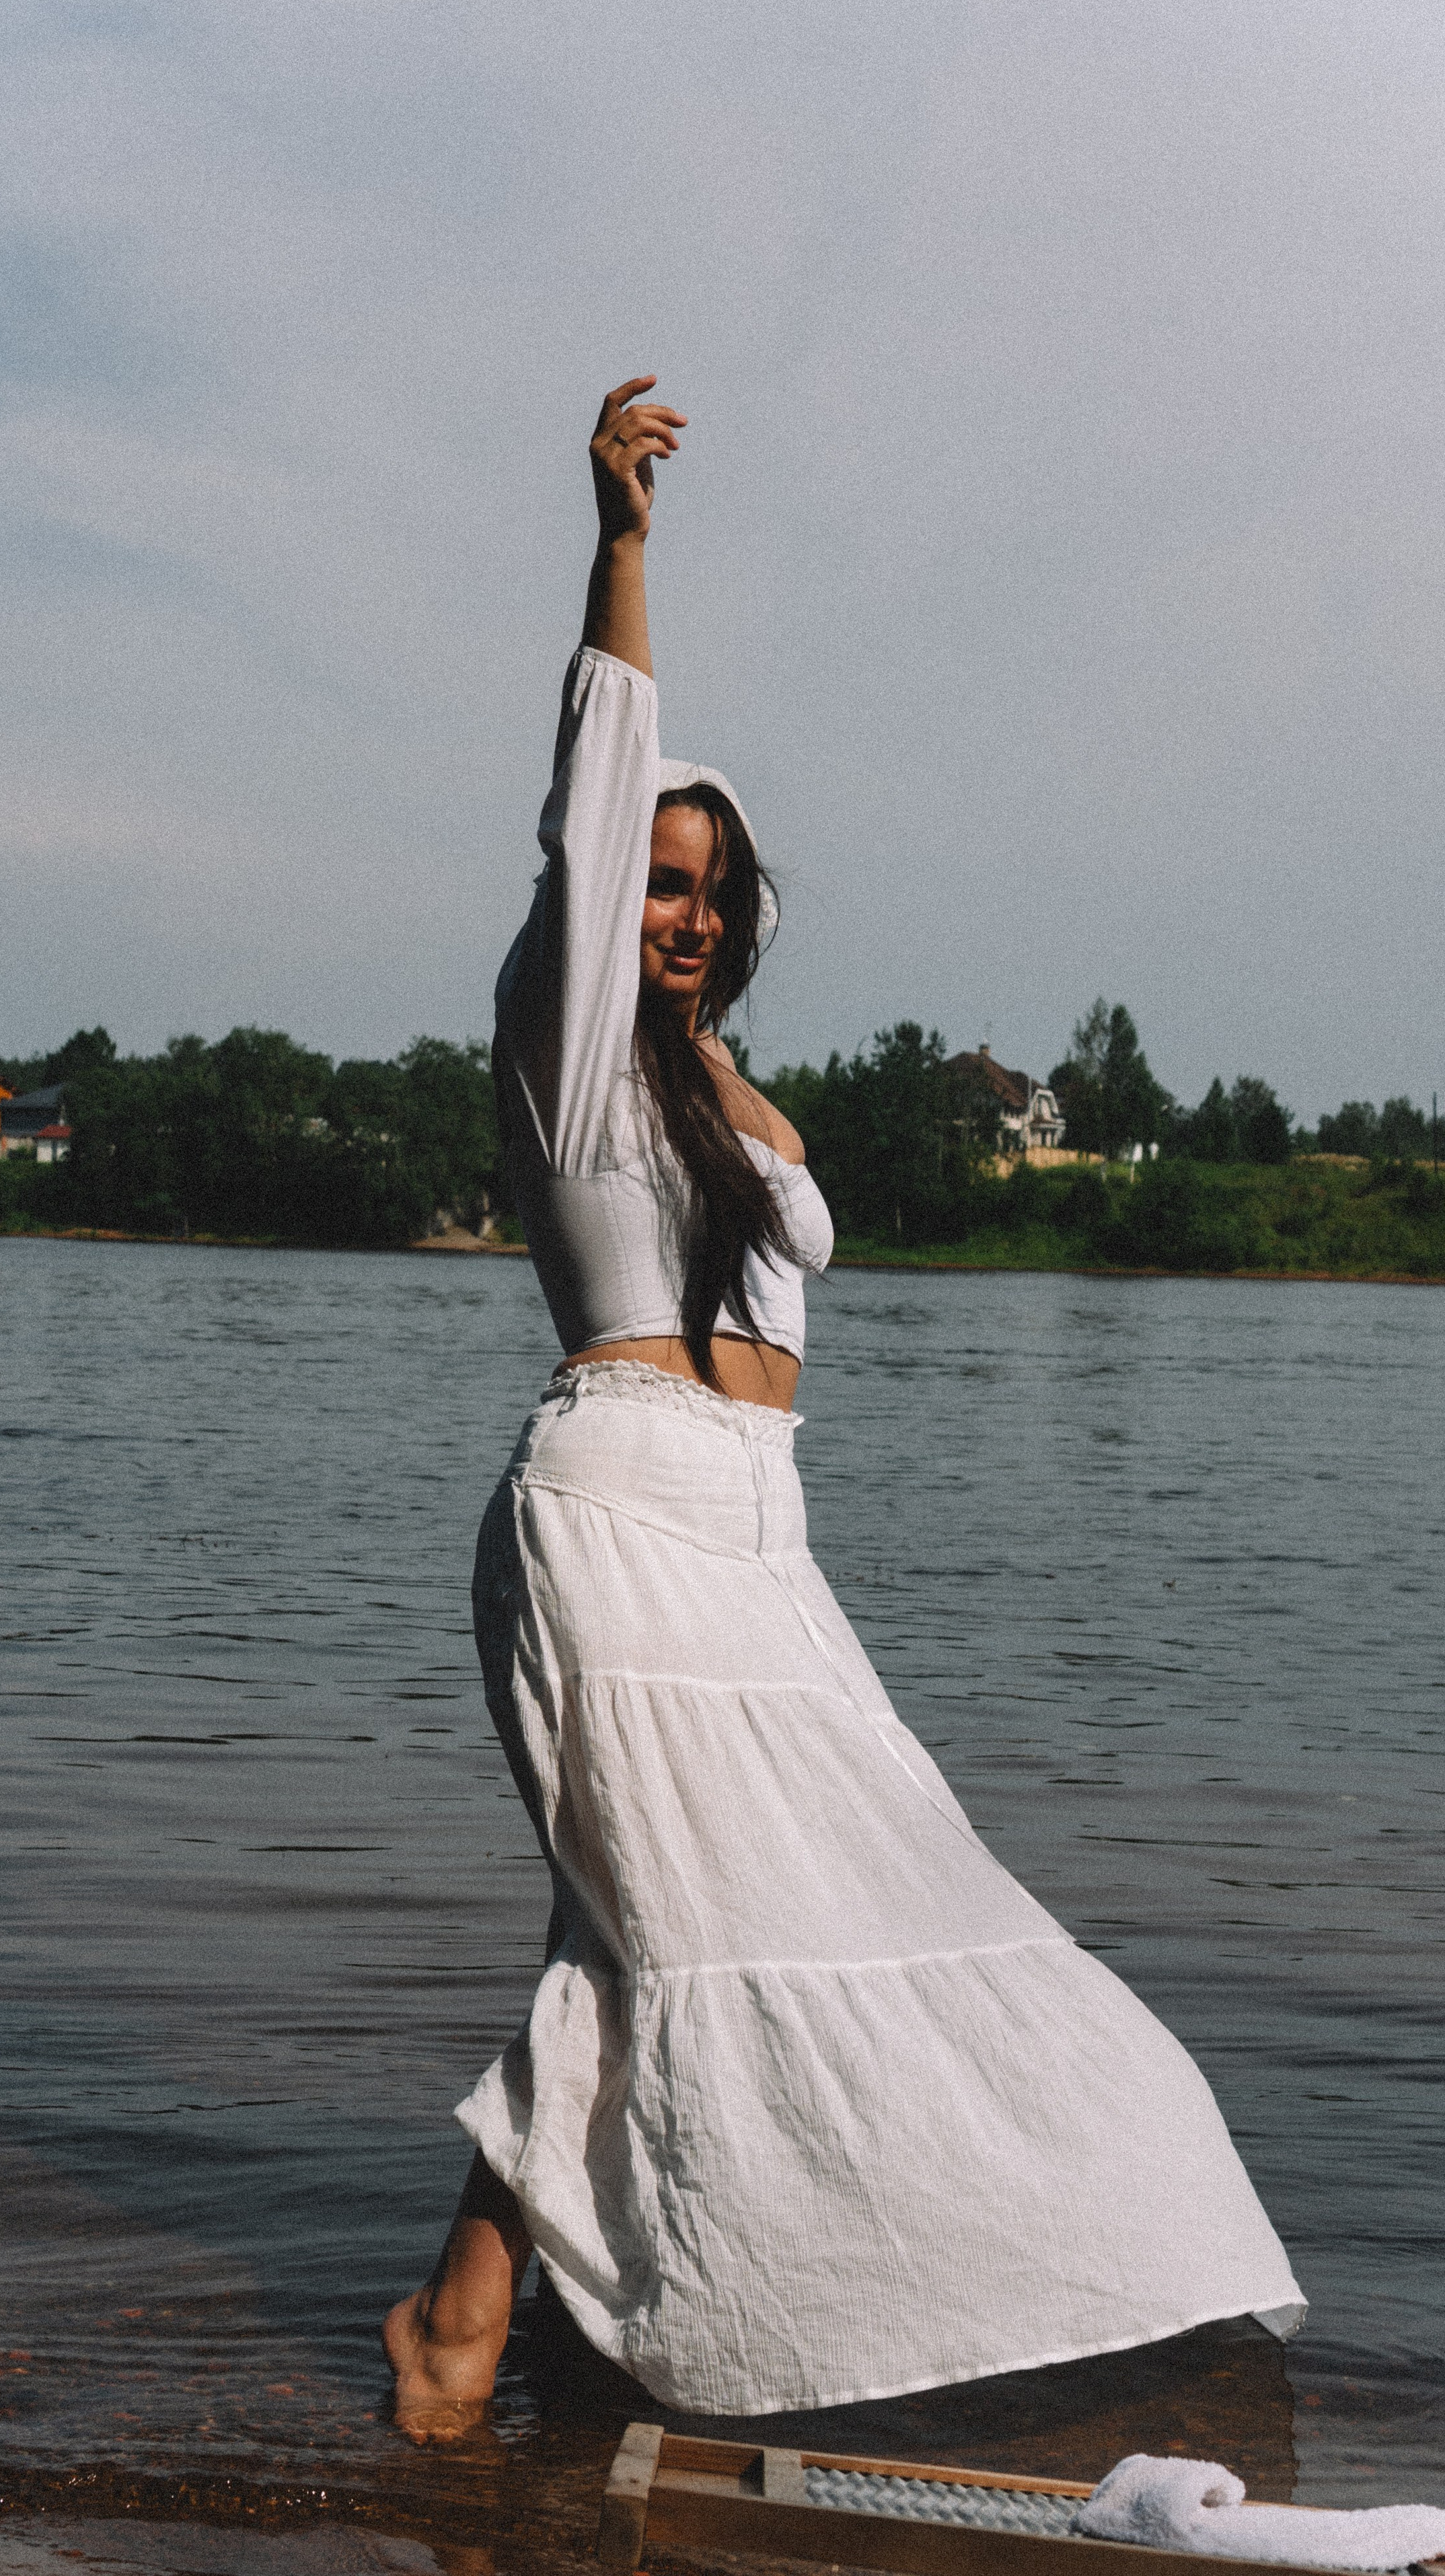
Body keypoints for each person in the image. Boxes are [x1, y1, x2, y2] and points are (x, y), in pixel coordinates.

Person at [382, 377, 1302, 2443]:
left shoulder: (744, 1104)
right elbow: (592, 786)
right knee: (680, 1928)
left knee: (780, 1921)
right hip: (617, 1513)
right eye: (660, 879)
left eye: (716, 886)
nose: (685, 905)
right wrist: (622, 543)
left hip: (762, 1541)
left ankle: (482, 2330)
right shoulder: (568, 1065)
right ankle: (526, 2339)